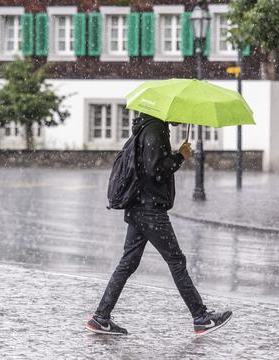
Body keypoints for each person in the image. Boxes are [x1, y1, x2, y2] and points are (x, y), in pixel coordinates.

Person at [86, 114, 232, 336]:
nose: (181, 118)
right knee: (176, 260)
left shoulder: (147, 127)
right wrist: (180, 157)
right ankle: (200, 317)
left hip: (139, 205)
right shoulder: (155, 129)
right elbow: (155, 169)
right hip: (150, 209)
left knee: (128, 263)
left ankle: (101, 317)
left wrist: (174, 156)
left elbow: (147, 165)